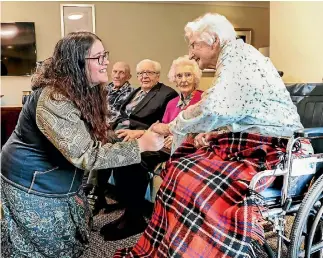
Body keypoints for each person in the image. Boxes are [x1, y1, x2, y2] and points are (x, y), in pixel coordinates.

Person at [114, 13, 311, 257]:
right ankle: (178, 246)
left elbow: (216, 108)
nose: (191, 53)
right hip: (250, 140)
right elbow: (240, 111)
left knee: (190, 178)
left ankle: (196, 249)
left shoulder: (238, 57)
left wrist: (173, 125)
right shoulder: (234, 59)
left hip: (271, 148)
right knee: (180, 167)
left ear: (214, 40)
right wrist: (215, 132)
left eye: (194, 44)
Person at [0, 31, 164, 258]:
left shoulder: (85, 89)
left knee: (70, 239)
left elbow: (92, 131)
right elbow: (86, 155)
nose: (106, 61)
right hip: (30, 178)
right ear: (76, 63)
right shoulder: (54, 99)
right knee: (44, 246)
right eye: (98, 57)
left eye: (104, 54)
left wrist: (129, 136)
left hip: (57, 175)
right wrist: (141, 146)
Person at [97, 59, 177, 241]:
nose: (144, 76)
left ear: (157, 75)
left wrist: (137, 133)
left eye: (148, 73)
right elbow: (125, 114)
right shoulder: (137, 91)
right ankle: (119, 206)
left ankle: (134, 216)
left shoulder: (167, 94)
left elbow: (163, 125)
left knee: (128, 158)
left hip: (148, 139)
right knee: (105, 147)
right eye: (141, 73)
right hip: (124, 132)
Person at [162, 55, 203, 151]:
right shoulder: (171, 103)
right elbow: (164, 130)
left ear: (195, 78)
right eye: (179, 76)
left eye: (188, 75)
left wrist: (178, 139)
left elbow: (205, 132)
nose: (183, 80)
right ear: (174, 80)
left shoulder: (203, 99)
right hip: (167, 149)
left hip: (190, 151)